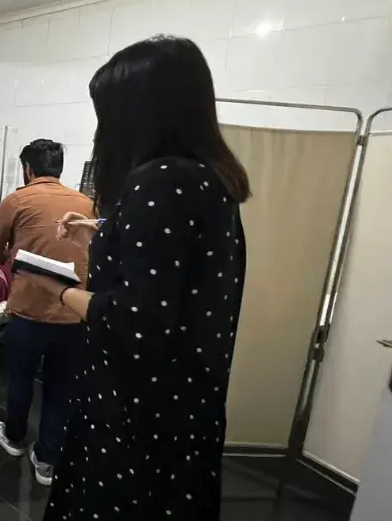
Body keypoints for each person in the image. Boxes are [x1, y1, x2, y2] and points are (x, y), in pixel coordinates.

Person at [27, 36, 250, 521]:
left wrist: (60, 291)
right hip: (181, 410)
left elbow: (135, 320)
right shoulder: (210, 180)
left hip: (133, 417)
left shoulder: (161, 180)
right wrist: (102, 238)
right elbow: (174, 280)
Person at [0, 138, 94, 485]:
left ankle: (14, 438)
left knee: (20, 379)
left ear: (28, 169)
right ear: (59, 169)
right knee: (61, 388)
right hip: (74, 313)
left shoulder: (17, 199)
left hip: (29, 312)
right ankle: (46, 460)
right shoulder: (87, 204)